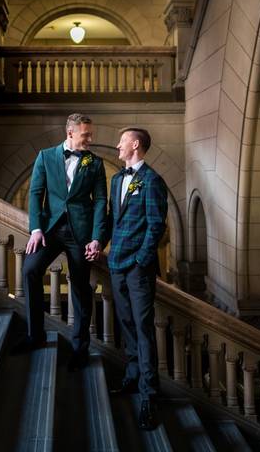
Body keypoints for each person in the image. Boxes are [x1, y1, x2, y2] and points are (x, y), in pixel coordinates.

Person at [13, 113, 107, 371]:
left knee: (80, 287)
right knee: (30, 269)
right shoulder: (45, 156)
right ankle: (35, 335)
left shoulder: (95, 163)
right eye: (86, 134)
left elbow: (100, 201)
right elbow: (35, 193)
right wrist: (35, 229)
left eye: (90, 134)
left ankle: (80, 348)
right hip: (51, 229)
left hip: (81, 233)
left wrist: (97, 238)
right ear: (70, 134)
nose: (90, 138)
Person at [89, 127, 167, 430]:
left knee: (144, 328)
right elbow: (112, 219)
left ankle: (150, 395)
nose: (118, 145)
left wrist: (141, 260)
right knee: (127, 323)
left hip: (137, 268)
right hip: (116, 264)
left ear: (135, 145)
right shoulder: (118, 179)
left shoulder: (152, 181)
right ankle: (133, 378)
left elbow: (155, 226)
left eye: (122, 141)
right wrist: (98, 240)